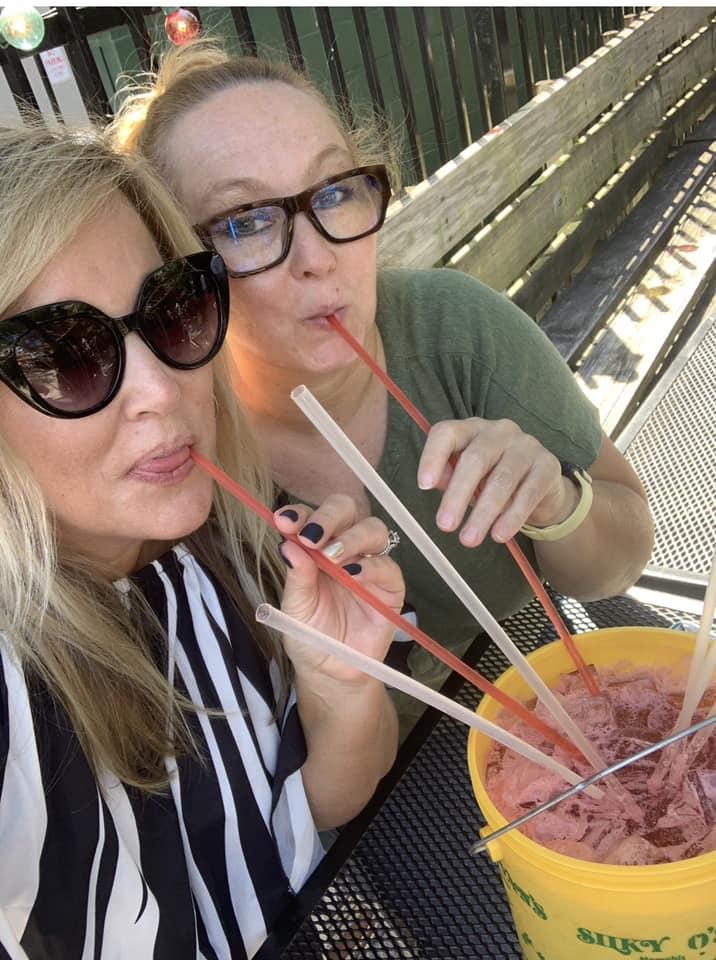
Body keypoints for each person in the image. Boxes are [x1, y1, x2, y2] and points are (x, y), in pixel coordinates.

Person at [111, 42, 655, 731]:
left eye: (334, 192)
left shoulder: (453, 330)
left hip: (551, 683)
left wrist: (557, 502)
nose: (318, 258)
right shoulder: (180, 458)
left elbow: (624, 556)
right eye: (244, 221)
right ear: (177, 269)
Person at [0, 122, 402, 959]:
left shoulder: (244, 541)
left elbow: (320, 810)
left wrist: (340, 693)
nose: (160, 387)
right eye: (62, 355)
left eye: (171, 308)